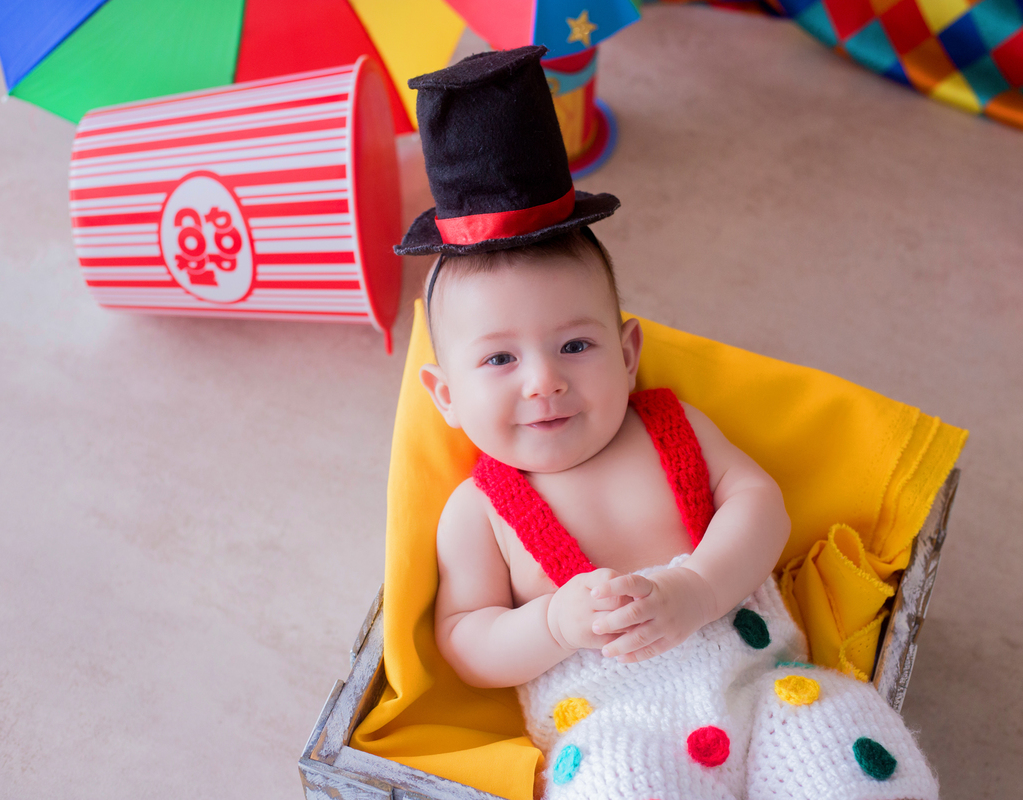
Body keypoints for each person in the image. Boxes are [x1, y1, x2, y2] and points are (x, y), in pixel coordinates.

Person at [397, 45, 938, 800]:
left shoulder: (670, 428)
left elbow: (761, 506)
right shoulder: (480, 512)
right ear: (444, 394)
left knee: (844, 745)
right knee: (618, 786)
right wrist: (553, 623)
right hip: (620, 726)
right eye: (498, 361)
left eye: (575, 345)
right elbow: (466, 641)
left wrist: (697, 587)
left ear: (628, 354)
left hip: (767, 688)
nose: (544, 380)